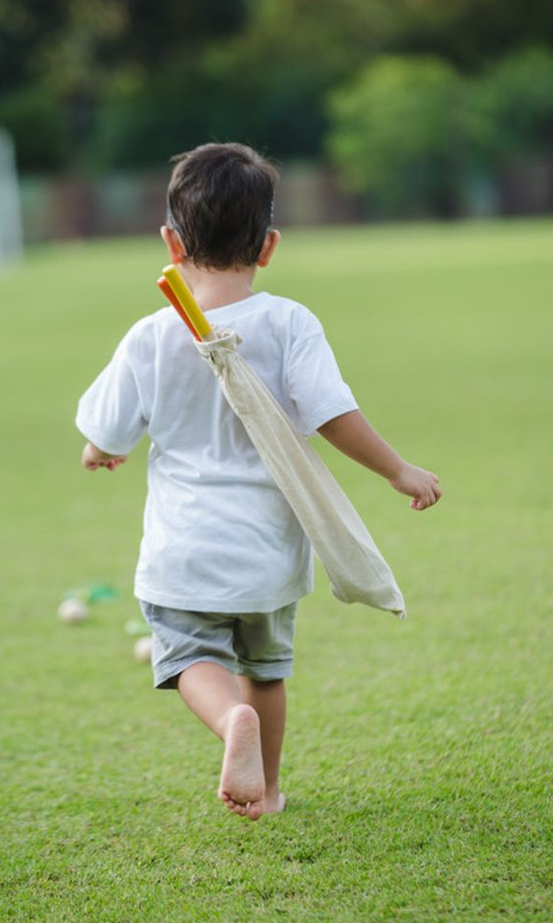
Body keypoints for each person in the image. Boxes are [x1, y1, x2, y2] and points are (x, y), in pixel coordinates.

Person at [76, 142, 441, 821]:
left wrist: (100, 449)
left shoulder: (153, 334)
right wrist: (397, 469)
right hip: (268, 549)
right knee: (265, 672)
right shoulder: (288, 323)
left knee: (189, 659)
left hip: (184, 550)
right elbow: (332, 415)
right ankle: (267, 789)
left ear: (170, 241)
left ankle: (227, 725)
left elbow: (108, 427)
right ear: (269, 246)